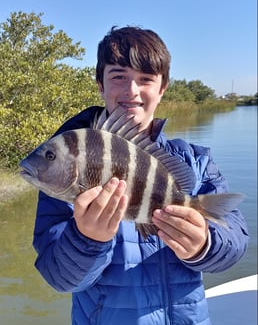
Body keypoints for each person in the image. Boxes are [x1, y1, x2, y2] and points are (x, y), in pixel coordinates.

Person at [33, 26, 248, 325]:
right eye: (119, 76)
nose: (131, 91)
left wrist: (205, 245)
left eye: (146, 79)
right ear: (100, 84)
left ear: (162, 89)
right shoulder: (69, 172)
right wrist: (87, 239)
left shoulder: (197, 162)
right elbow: (59, 278)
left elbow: (235, 244)